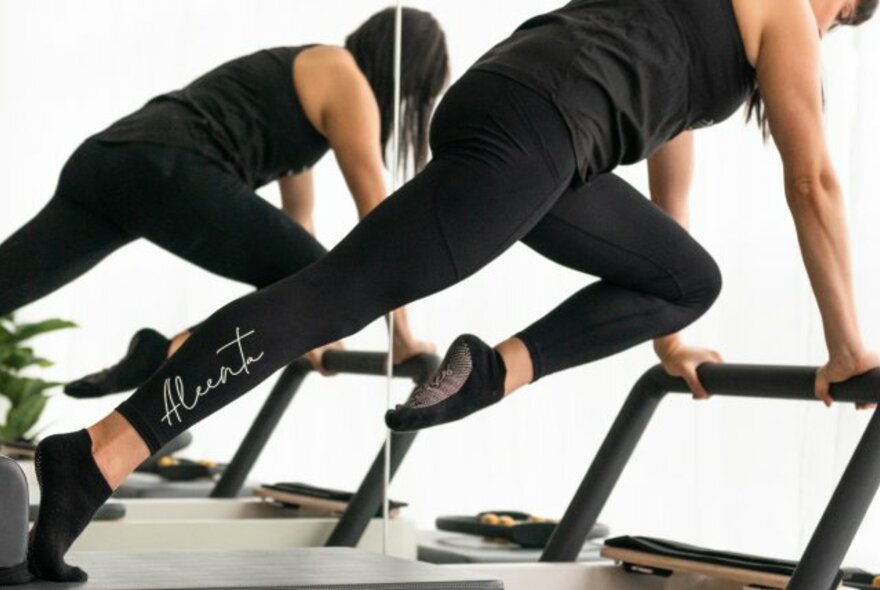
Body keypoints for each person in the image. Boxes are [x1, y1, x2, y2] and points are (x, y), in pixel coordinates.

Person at [28, 0, 880, 582]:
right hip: (542, 132)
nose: (835, 23)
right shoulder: (789, 13)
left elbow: (670, 149)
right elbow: (813, 183)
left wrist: (666, 341)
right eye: (847, 13)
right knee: (330, 293)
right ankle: (99, 452)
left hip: (525, 110)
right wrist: (848, 350)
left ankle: (489, 371)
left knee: (687, 279)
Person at [0, 7, 447, 396]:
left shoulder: (314, 68)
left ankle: (161, 358)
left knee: (10, 281)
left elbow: (298, 222)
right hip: (169, 165)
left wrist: (309, 321)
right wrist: (401, 337)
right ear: (407, 72)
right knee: (327, 279)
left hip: (107, 162)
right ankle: (164, 356)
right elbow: (379, 219)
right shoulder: (347, 79)